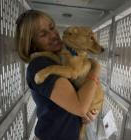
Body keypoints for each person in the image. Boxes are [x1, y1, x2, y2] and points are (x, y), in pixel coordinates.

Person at [15, 10, 101, 140]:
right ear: (32, 43)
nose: (53, 35)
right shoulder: (40, 65)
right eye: (43, 34)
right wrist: (96, 69)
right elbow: (80, 107)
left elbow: (80, 103)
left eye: (52, 28)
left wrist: (92, 110)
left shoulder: (56, 58)